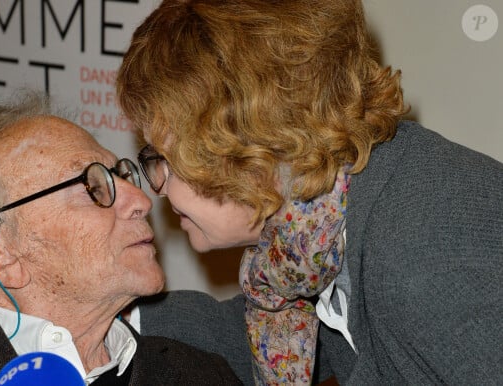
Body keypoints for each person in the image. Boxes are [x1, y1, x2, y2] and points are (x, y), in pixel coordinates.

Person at [116, 0, 503, 384]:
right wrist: (102, 306)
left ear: (249, 145)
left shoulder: (422, 251)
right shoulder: (316, 233)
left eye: (164, 158)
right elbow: (259, 333)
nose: (156, 188)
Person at [0, 91, 243, 386]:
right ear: (0, 252)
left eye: (121, 174)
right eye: (93, 187)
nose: (141, 201)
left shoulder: (202, 372)